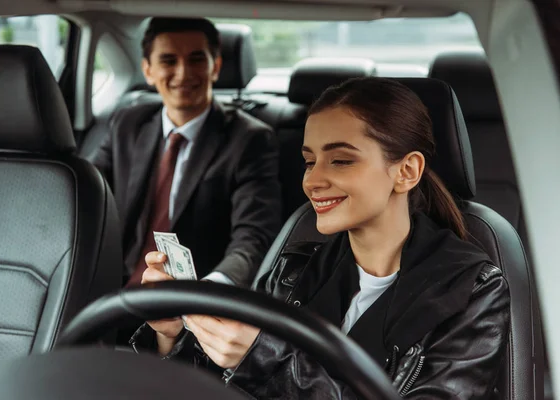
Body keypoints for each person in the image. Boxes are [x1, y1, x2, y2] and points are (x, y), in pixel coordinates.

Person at [131, 77, 510, 399]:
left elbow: (261, 364)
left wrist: (264, 358)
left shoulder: (473, 291)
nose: (312, 180)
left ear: (406, 171)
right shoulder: (294, 269)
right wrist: (173, 334)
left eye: (341, 160)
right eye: (310, 161)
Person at [91, 17, 282, 288]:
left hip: (191, 294)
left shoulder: (250, 139)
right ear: (148, 70)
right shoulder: (127, 123)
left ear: (214, 67)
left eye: (196, 60)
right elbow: (87, 197)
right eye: (169, 61)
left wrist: (213, 287)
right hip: (113, 287)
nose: (183, 74)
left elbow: (254, 235)